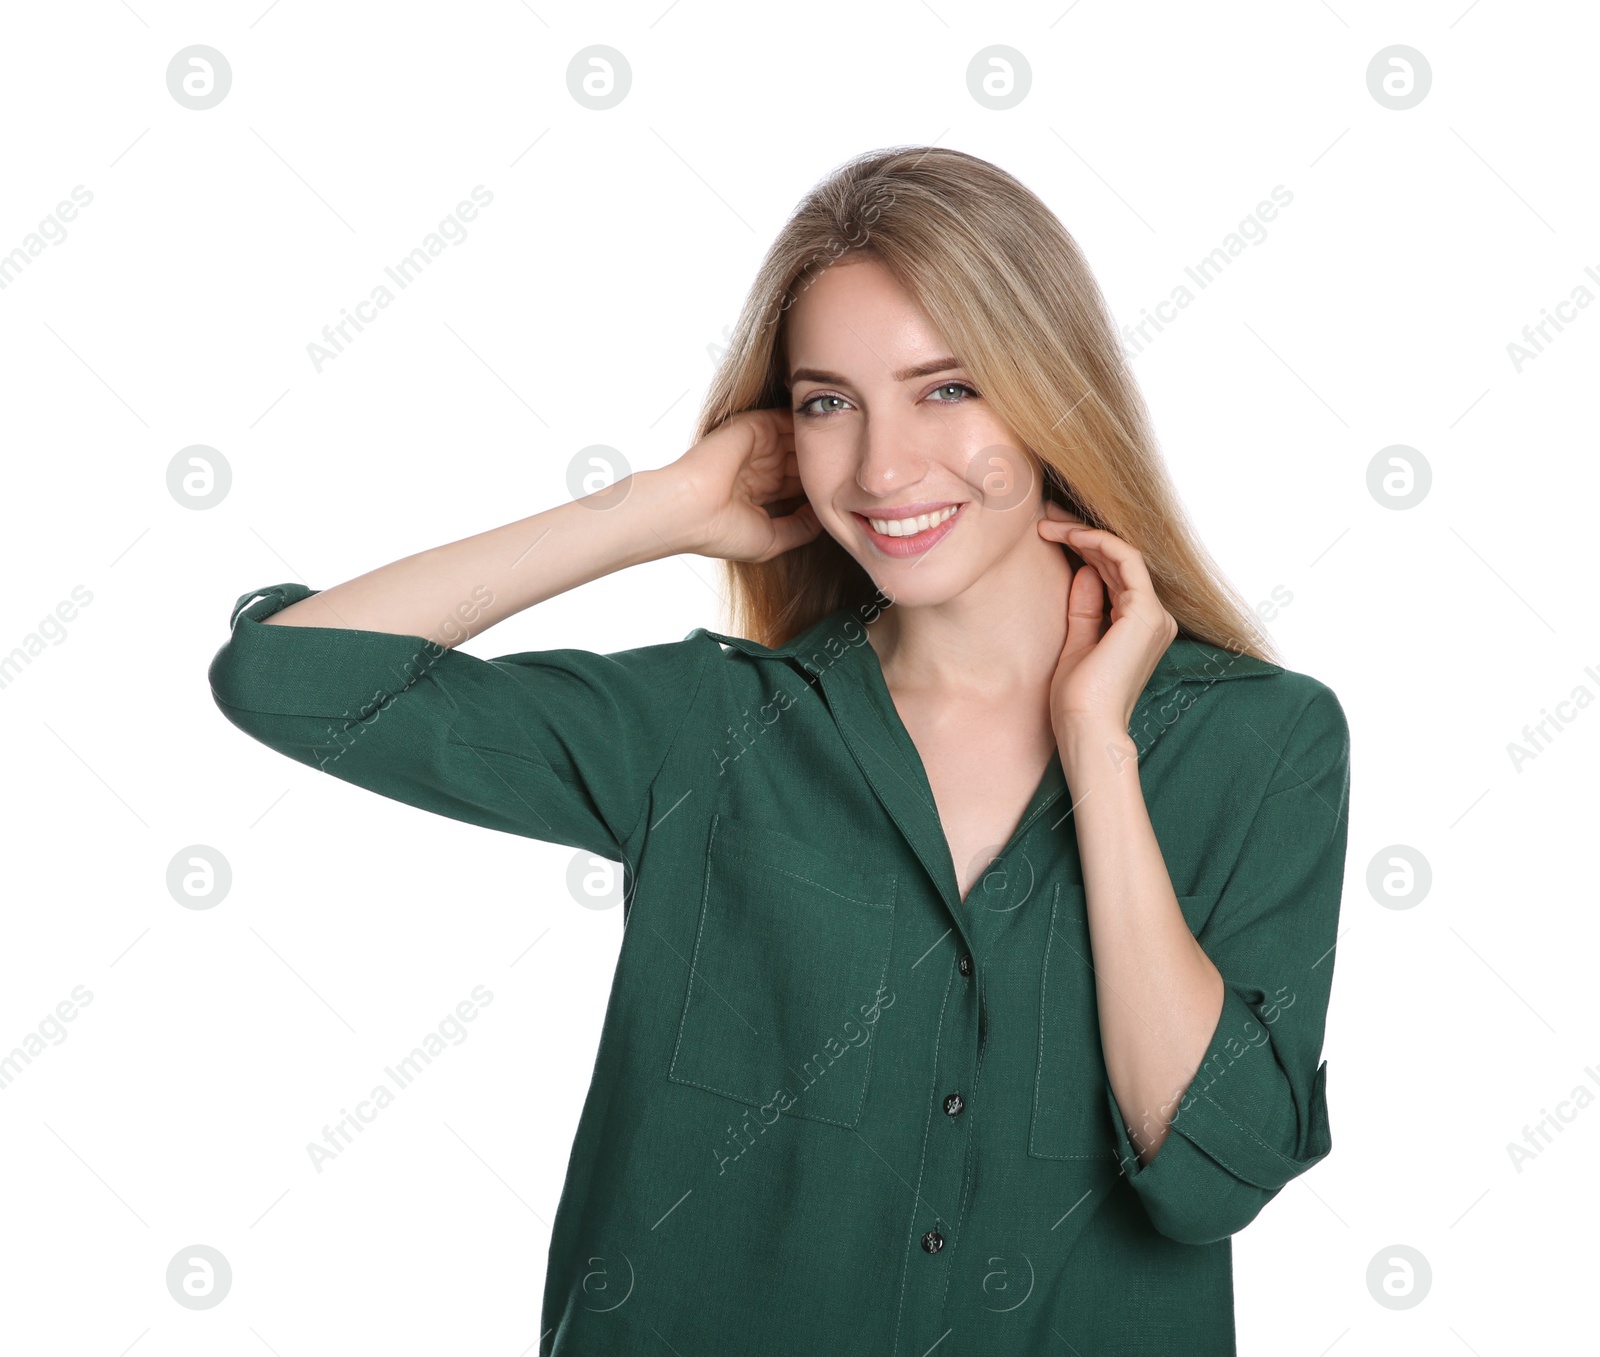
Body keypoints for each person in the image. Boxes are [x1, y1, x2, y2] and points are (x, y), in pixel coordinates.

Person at [208, 145, 1351, 1356]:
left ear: (1050, 392)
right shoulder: (702, 727)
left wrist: (1099, 753)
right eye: (827, 402)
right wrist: (659, 507)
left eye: (947, 387)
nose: (883, 466)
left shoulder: (1262, 742)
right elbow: (287, 677)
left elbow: (1210, 1178)